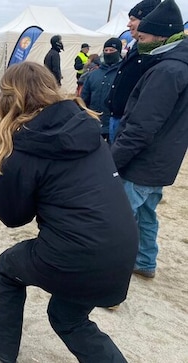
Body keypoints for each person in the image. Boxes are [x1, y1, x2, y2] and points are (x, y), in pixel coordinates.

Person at [0, 61, 138, 363]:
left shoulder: (25, 146)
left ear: (8, 100)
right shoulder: (88, 127)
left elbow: (13, 216)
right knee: (66, 317)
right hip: (120, 250)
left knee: (7, 267)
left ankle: (2, 346)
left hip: (77, 253)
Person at [111, 0, 188, 279]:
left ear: (160, 36)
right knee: (146, 216)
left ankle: (111, 276)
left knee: (119, 220)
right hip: (162, 163)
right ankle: (145, 261)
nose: (139, 42)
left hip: (142, 163)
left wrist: (112, 162)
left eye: (142, 38)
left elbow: (141, 127)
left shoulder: (168, 71)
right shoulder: (179, 64)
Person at [106, 0, 160, 143]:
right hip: (117, 118)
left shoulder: (150, 52)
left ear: (147, 21)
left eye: (133, 20)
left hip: (128, 123)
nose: (128, 24)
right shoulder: (134, 47)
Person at [81, 38, 123, 142]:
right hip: (94, 123)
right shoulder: (92, 75)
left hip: (114, 125)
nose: (108, 53)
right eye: (106, 50)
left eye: (112, 50)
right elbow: (83, 99)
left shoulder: (123, 74)